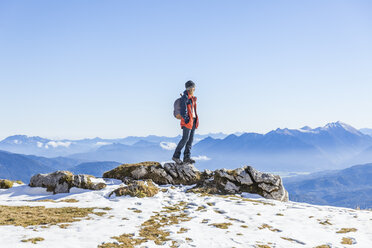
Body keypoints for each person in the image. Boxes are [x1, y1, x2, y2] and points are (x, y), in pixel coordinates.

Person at [172, 80, 199, 164]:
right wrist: (186, 119)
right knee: (185, 139)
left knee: (190, 140)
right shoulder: (185, 98)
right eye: (193, 87)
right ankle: (176, 156)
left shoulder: (192, 98)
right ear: (190, 88)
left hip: (193, 121)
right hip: (188, 121)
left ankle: (187, 157)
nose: (193, 89)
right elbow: (183, 110)